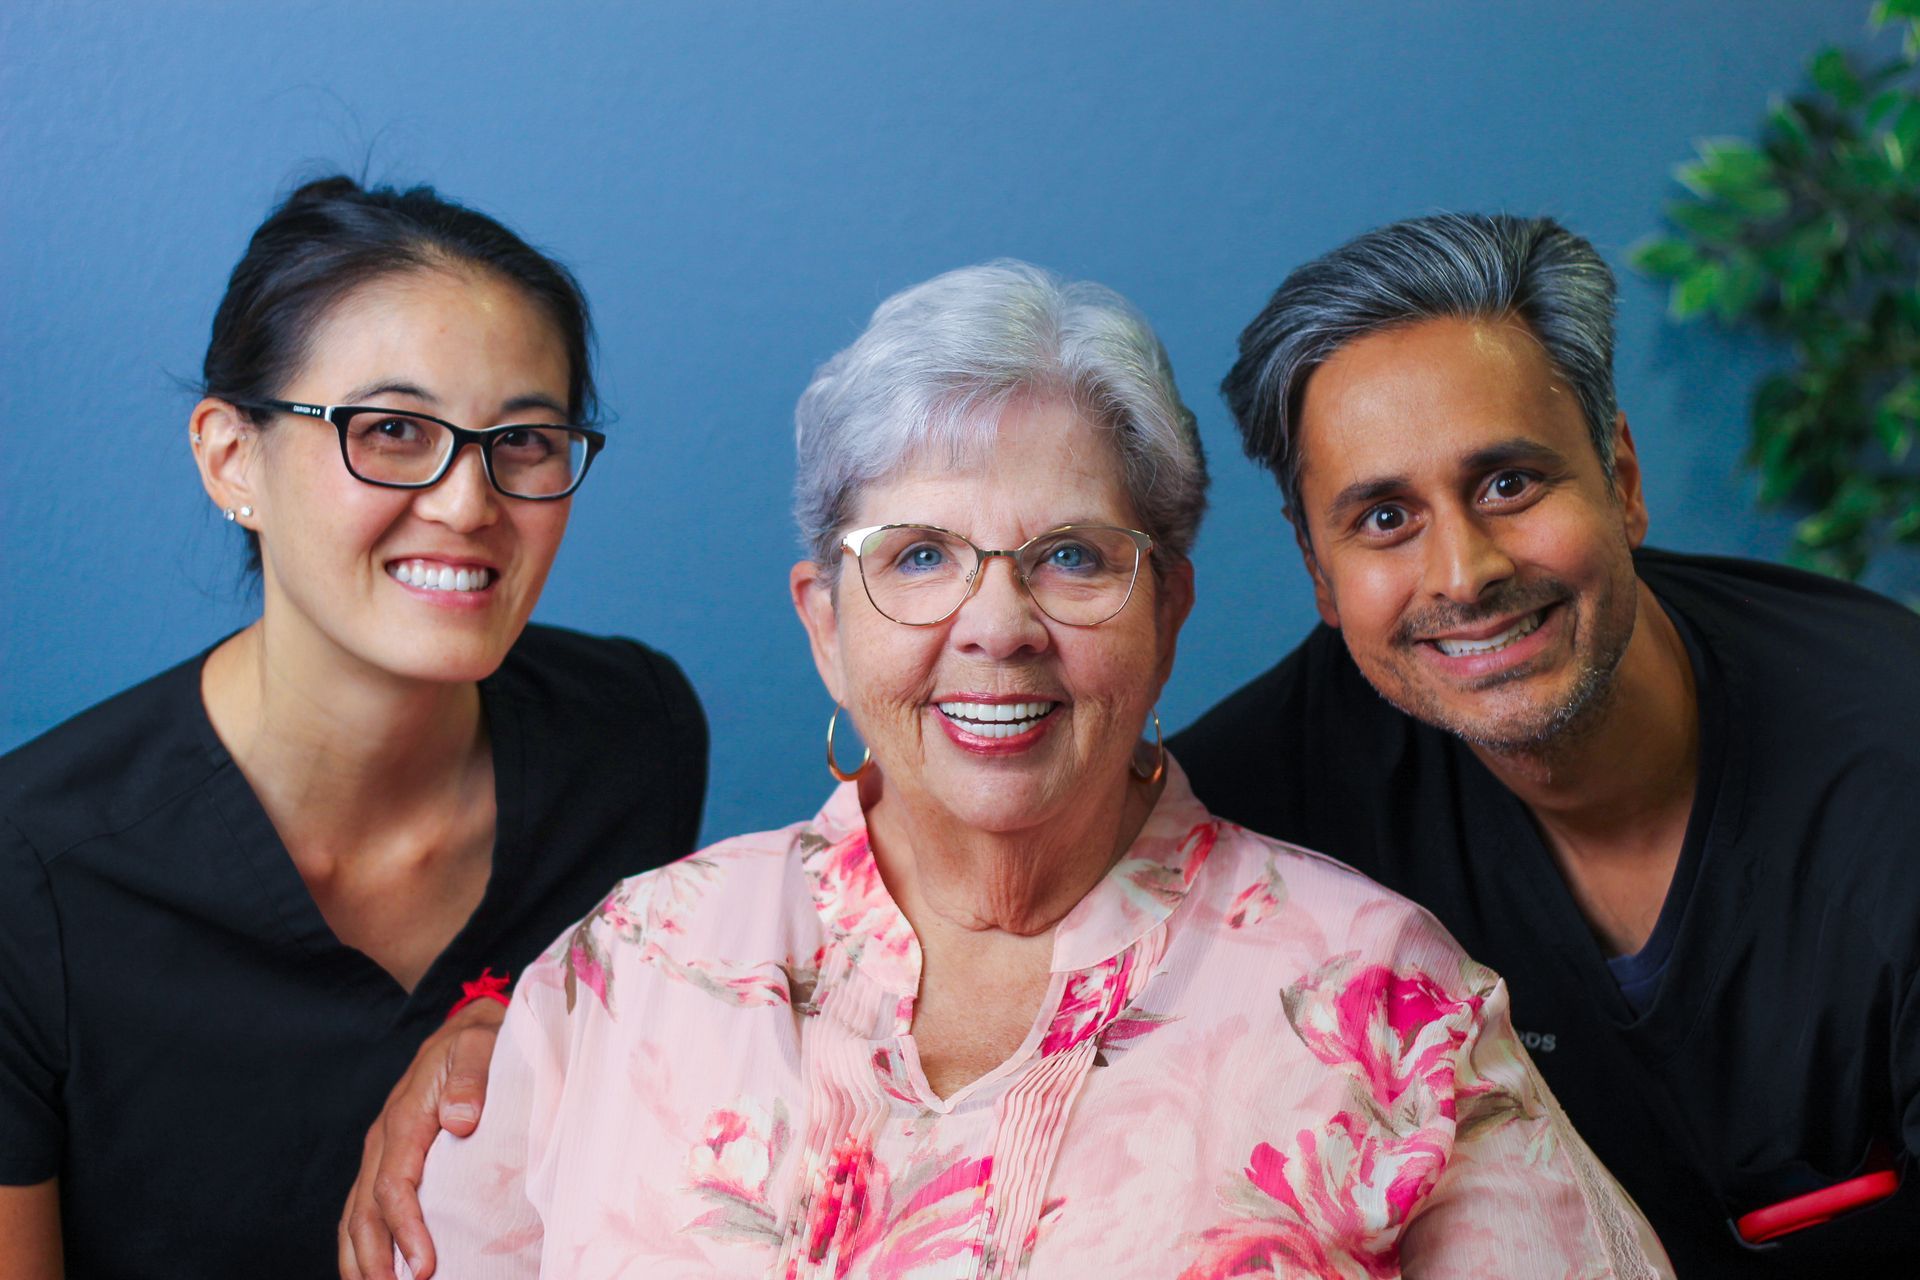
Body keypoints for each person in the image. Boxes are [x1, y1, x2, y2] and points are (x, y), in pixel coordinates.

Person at [392, 260, 1671, 1279]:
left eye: (1070, 556)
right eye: (919, 556)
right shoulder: (630, 975)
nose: (996, 625)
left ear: (1167, 610)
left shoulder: (1384, 999)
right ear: (825, 624)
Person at [1170, 213, 1920, 1275]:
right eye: (1384, 518)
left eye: (1508, 484)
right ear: (1317, 570)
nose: (1464, 570)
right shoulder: (1244, 818)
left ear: (1620, 475)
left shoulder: (1894, 750)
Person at [0, 176, 708, 1279]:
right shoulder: (29, 869)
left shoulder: (637, 737)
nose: (468, 503)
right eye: (390, 429)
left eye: (523, 440)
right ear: (232, 457)